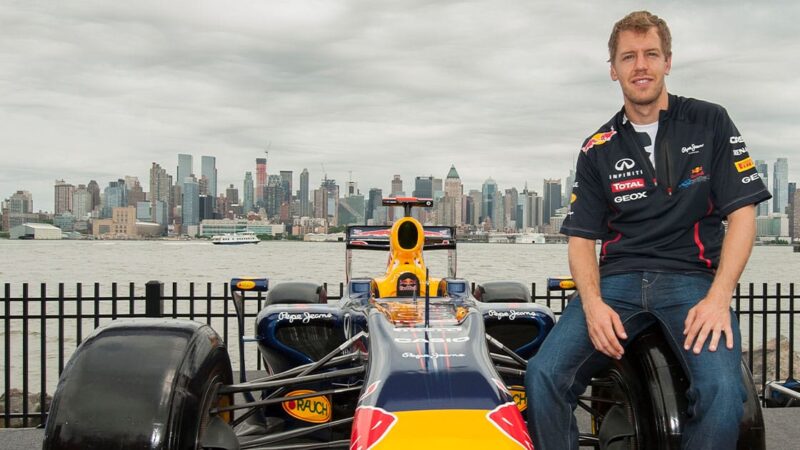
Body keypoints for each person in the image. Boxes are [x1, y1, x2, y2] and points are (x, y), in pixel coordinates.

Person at [525, 10, 771, 450]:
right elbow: (582, 239)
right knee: (543, 374)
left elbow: (743, 216)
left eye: (651, 54)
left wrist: (719, 298)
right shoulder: (597, 147)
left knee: (723, 392)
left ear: (668, 61)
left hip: (690, 281)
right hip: (616, 283)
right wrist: (594, 303)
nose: (640, 66)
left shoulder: (710, 121)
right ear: (613, 69)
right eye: (629, 57)